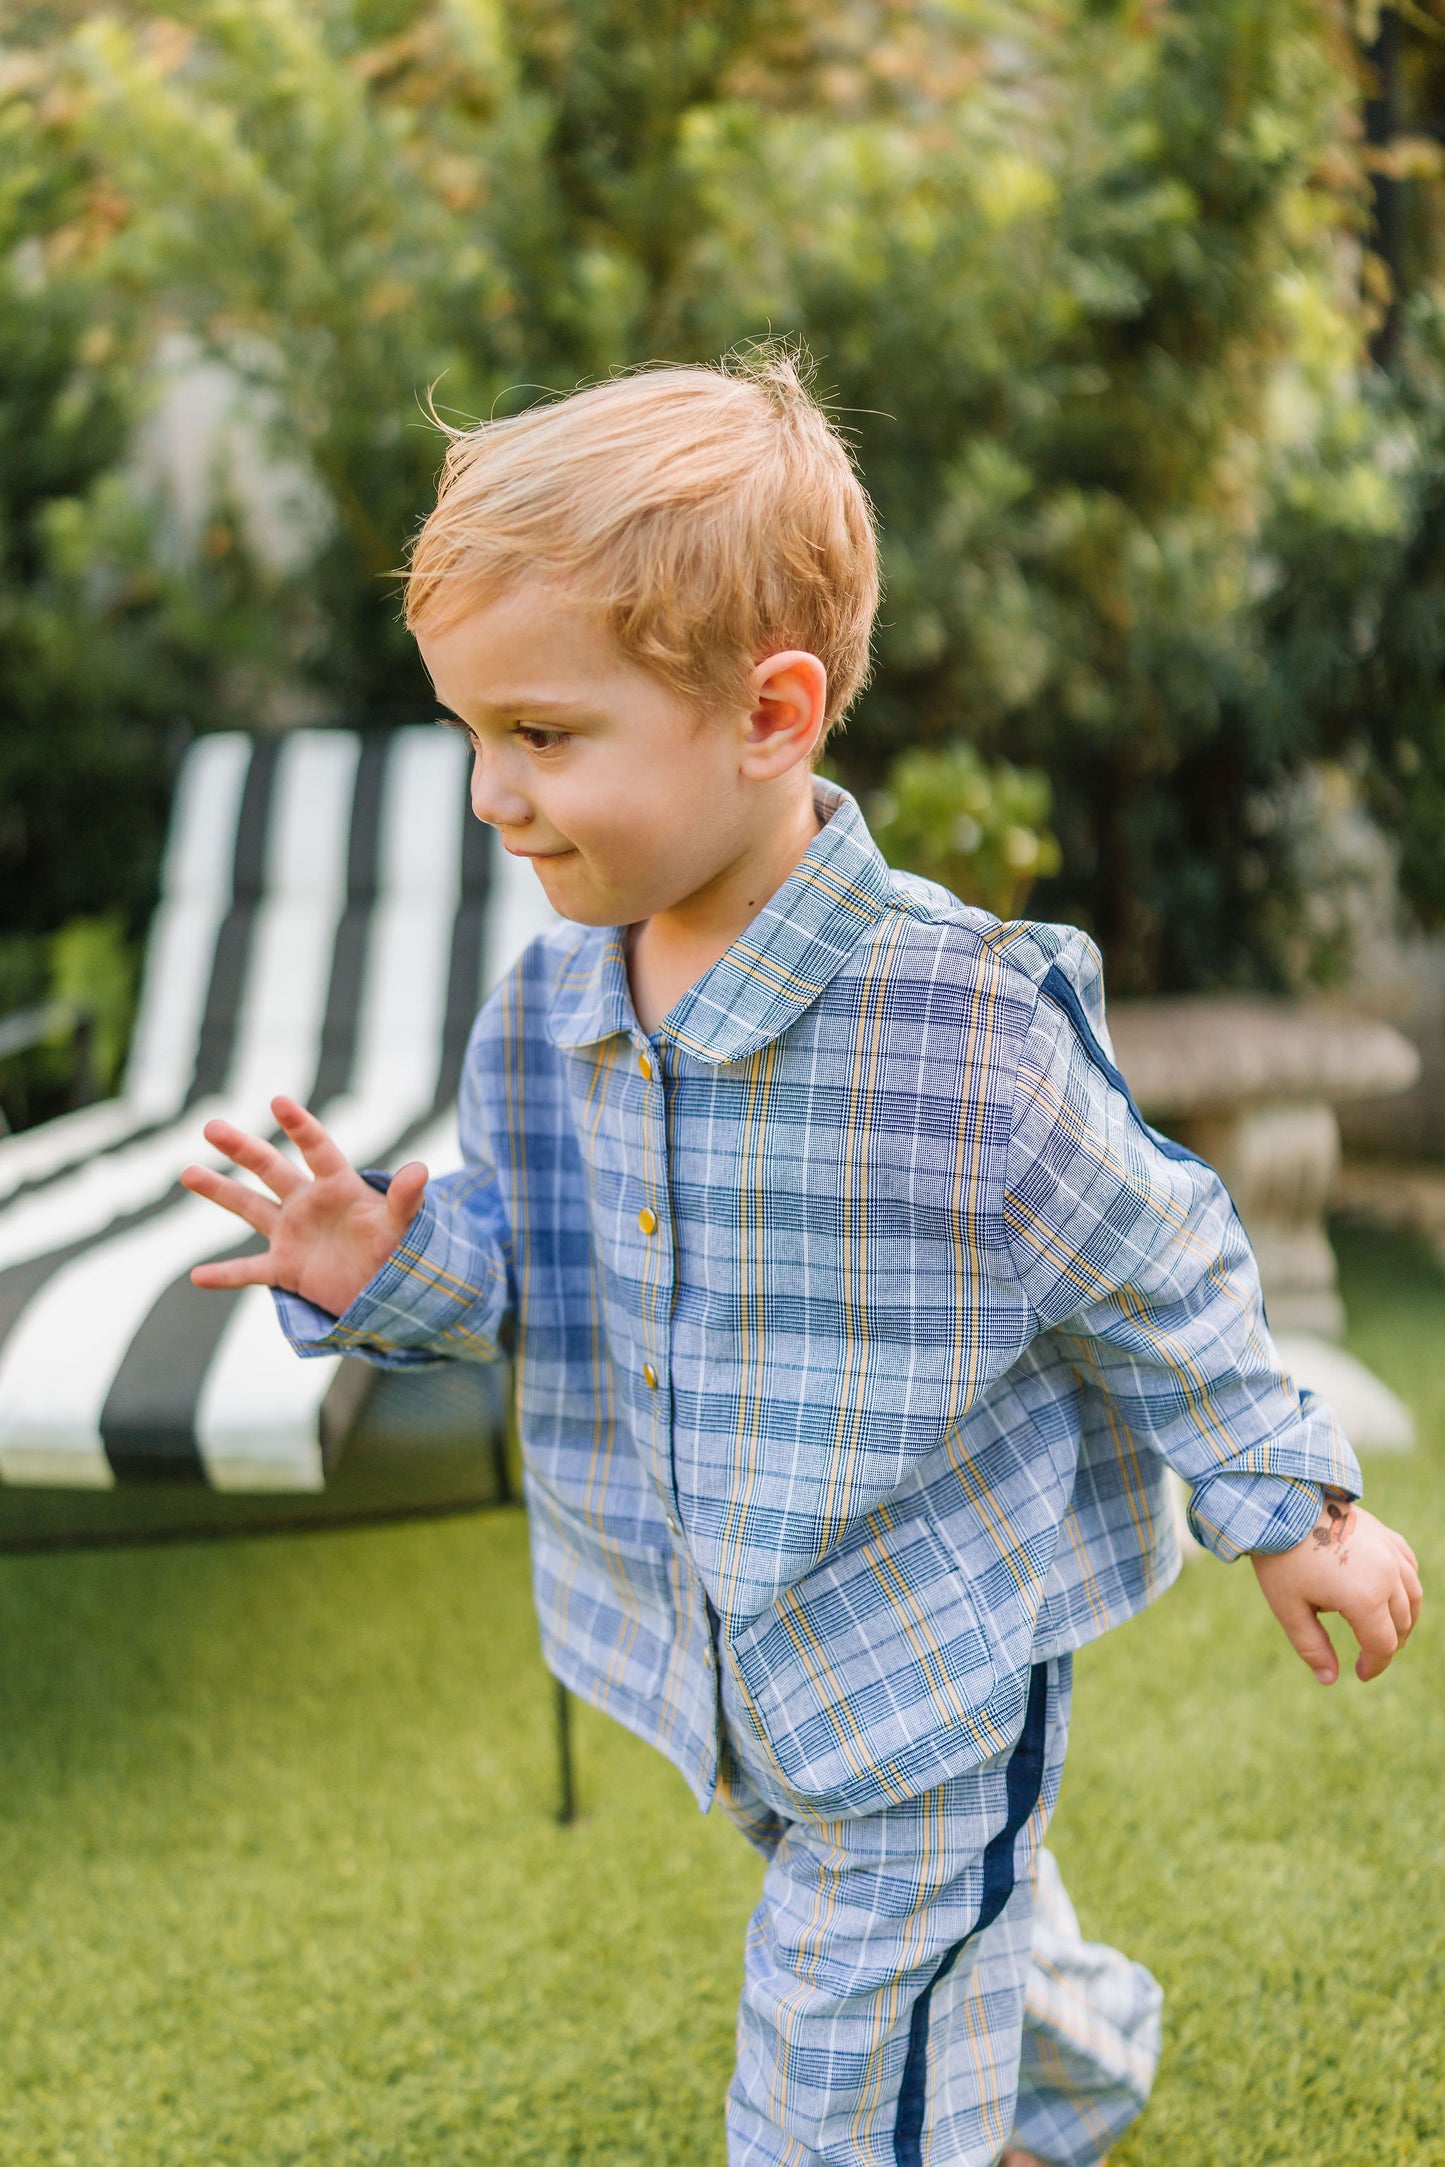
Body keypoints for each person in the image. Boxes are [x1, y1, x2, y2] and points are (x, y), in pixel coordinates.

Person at [182, 349, 1421, 2167]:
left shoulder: (964, 1029)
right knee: (934, 1945)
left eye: (540, 736)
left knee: (835, 2059)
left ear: (769, 715)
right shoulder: (549, 1011)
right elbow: (531, 1268)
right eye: (469, 734)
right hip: (722, 1655)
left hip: (921, 1658)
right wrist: (383, 1262)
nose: (487, 795)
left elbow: (1161, 1262)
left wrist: (1295, 1506)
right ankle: (1068, 2062)